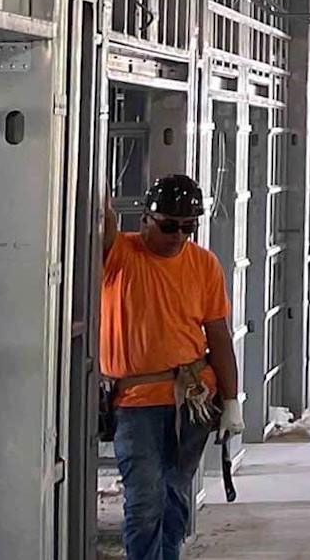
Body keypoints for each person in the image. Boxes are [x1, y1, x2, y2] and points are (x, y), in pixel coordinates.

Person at [101, 174, 243, 560]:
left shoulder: (204, 265)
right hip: (135, 402)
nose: (178, 235)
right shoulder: (120, 254)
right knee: (145, 498)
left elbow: (218, 335)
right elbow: (99, 217)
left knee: (175, 496)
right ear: (145, 219)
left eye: (187, 227)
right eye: (169, 225)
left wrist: (231, 400)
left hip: (191, 399)